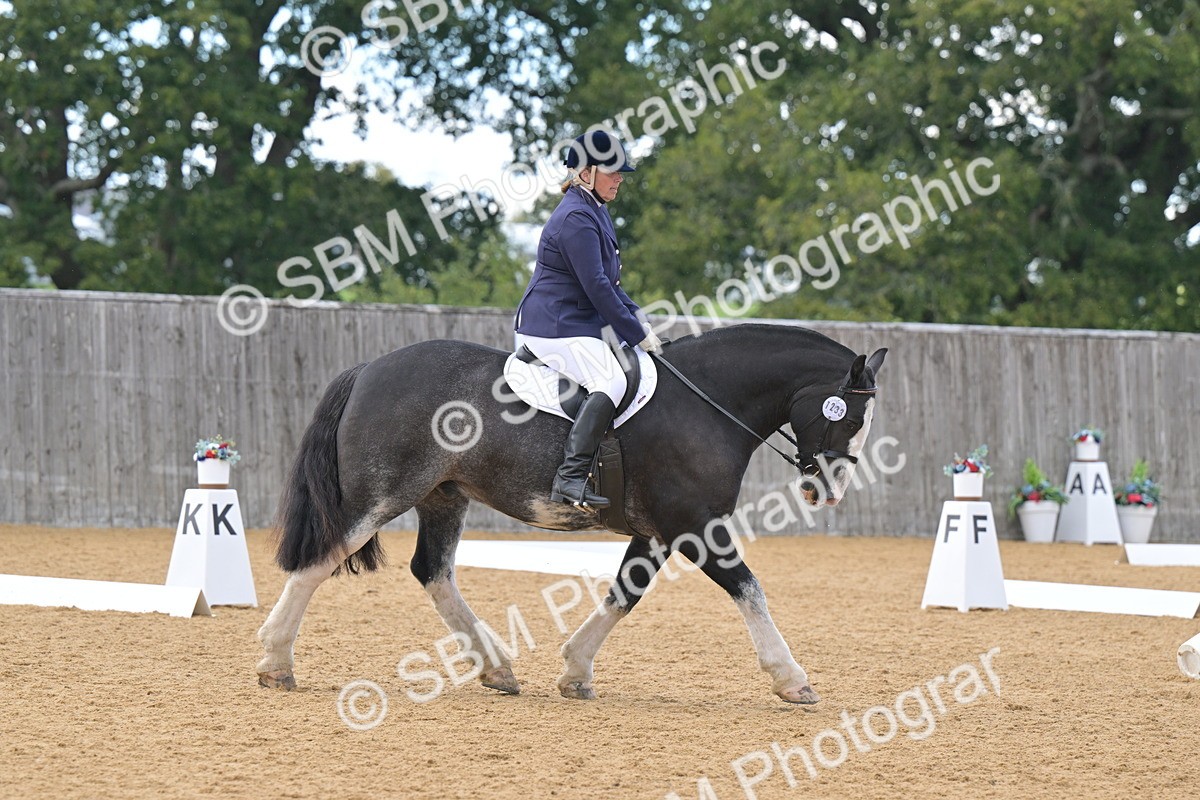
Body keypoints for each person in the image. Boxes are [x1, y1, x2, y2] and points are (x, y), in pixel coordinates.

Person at [514, 128, 663, 509]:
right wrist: (633, 332)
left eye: (620, 172)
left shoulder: (594, 209)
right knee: (610, 380)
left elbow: (611, 283)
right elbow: (596, 287)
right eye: (612, 172)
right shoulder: (576, 218)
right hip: (553, 325)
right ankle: (570, 477)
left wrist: (637, 319)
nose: (619, 179)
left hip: (576, 321)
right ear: (585, 173)